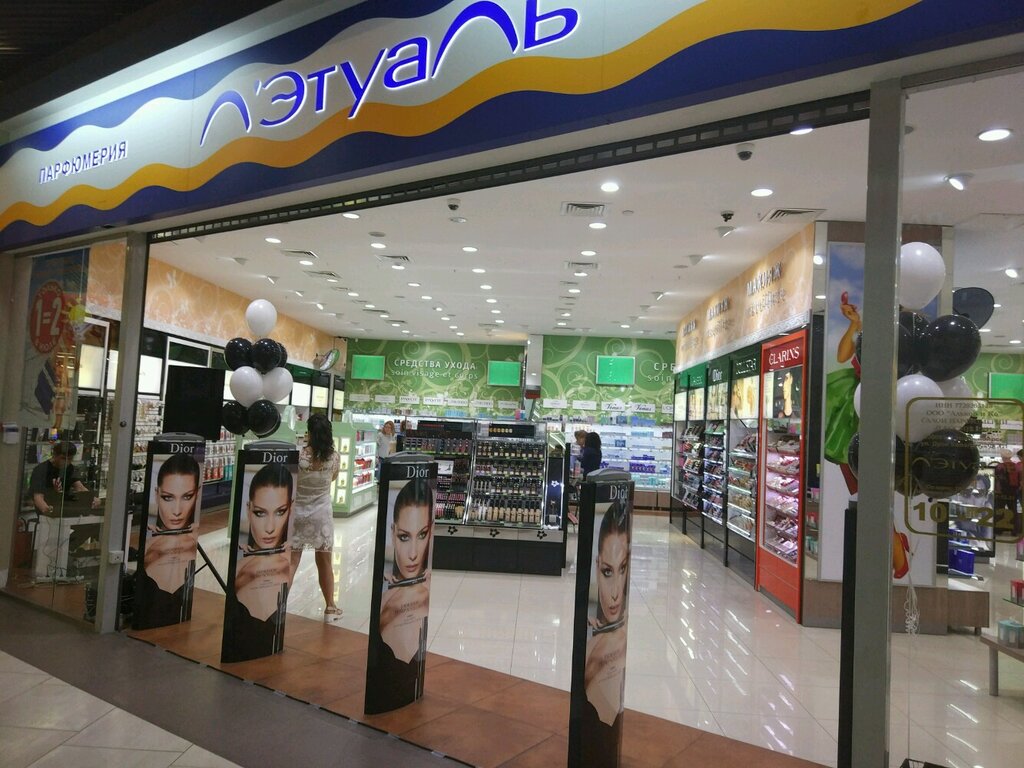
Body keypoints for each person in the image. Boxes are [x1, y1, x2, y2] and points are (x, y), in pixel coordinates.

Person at [366, 479, 433, 714]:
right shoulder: (386, 600)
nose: (413, 554)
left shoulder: (424, 593)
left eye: (422, 535)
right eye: (404, 537)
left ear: (431, 531)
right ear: (393, 533)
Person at [223, 464, 294, 662]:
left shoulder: (284, 564)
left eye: (280, 512)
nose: (270, 528)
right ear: (248, 509)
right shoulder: (241, 568)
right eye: (260, 513)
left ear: (291, 508)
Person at [583, 503, 630, 764]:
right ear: (596, 567)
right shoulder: (591, 653)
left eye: (622, 569)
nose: (614, 593)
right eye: (607, 572)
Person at [135, 452, 201, 628]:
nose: (177, 511)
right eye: (168, 497)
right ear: (157, 494)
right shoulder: (150, 547)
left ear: (197, 494)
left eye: (187, 496)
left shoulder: (189, 545)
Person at [290, 415, 342, 621]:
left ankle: (279, 604)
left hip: (298, 512)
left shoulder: (299, 455)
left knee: (292, 560)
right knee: (324, 561)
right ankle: (330, 608)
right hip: (321, 514)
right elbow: (333, 478)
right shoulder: (334, 457)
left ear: (309, 432)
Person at [30, 441, 99, 515]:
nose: (66, 462)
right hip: (46, 510)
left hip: (63, 509)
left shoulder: (70, 468)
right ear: (54, 455)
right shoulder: (41, 469)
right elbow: (38, 497)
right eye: (63, 458)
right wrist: (46, 509)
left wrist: (92, 498)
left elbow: (80, 487)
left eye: (70, 459)